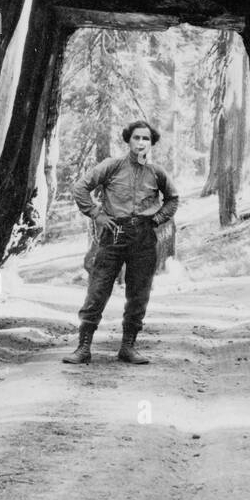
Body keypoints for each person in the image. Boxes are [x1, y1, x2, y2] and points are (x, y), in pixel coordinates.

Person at [63, 120, 179, 365]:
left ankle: (128, 347)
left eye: (145, 139)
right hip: (113, 234)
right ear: (128, 141)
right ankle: (83, 348)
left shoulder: (157, 172)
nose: (140, 143)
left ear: (151, 143)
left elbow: (173, 199)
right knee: (98, 289)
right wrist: (97, 214)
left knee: (138, 293)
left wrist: (157, 219)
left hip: (144, 237)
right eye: (136, 138)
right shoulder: (112, 166)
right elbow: (80, 188)